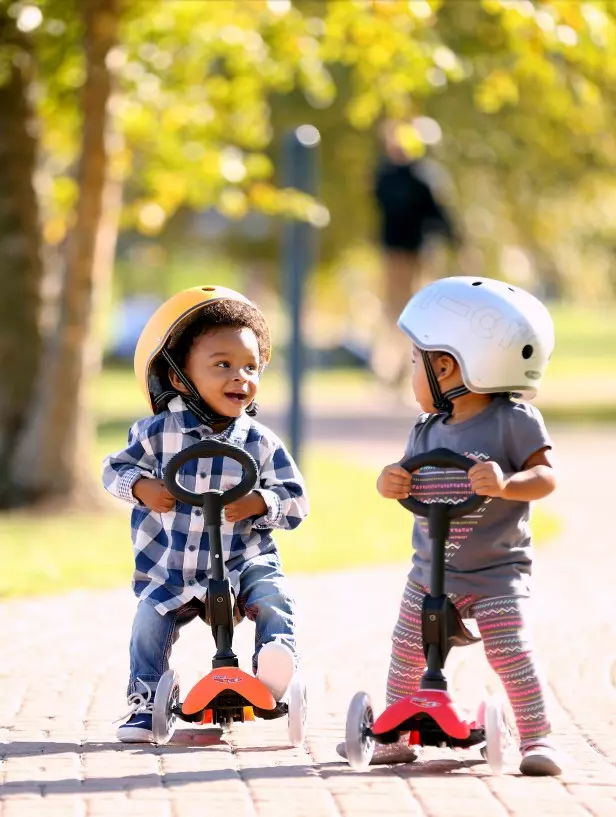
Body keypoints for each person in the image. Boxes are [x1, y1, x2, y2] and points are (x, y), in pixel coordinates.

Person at [341, 275, 562, 776]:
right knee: (406, 647)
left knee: (510, 650)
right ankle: (395, 736)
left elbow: (547, 477)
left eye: (415, 362)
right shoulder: (425, 429)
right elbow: (404, 474)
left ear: (448, 365)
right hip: (429, 570)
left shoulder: (515, 420)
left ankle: (537, 739)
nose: (412, 371)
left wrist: (507, 482)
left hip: (495, 572)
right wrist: (389, 481)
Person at [102, 285, 309, 742]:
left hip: (241, 561)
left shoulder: (259, 441)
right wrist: (140, 486)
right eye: (223, 365)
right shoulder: (156, 434)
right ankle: (144, 699)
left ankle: (274, 664)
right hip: (172, 565)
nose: (241, 377)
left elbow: (296, 500)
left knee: (274, 593)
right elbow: (111, 469)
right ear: (179, 378)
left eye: (251, 367)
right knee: (148, 623)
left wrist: (262, 503)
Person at [371, 120, 459, 389]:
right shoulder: (392, 175)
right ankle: (394, 366)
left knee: (412, 312)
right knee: (396, 311)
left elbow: (438, 214)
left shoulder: (420, 175)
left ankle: (407, 367)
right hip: (396, 253)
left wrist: (454, 241)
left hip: (415, 253)